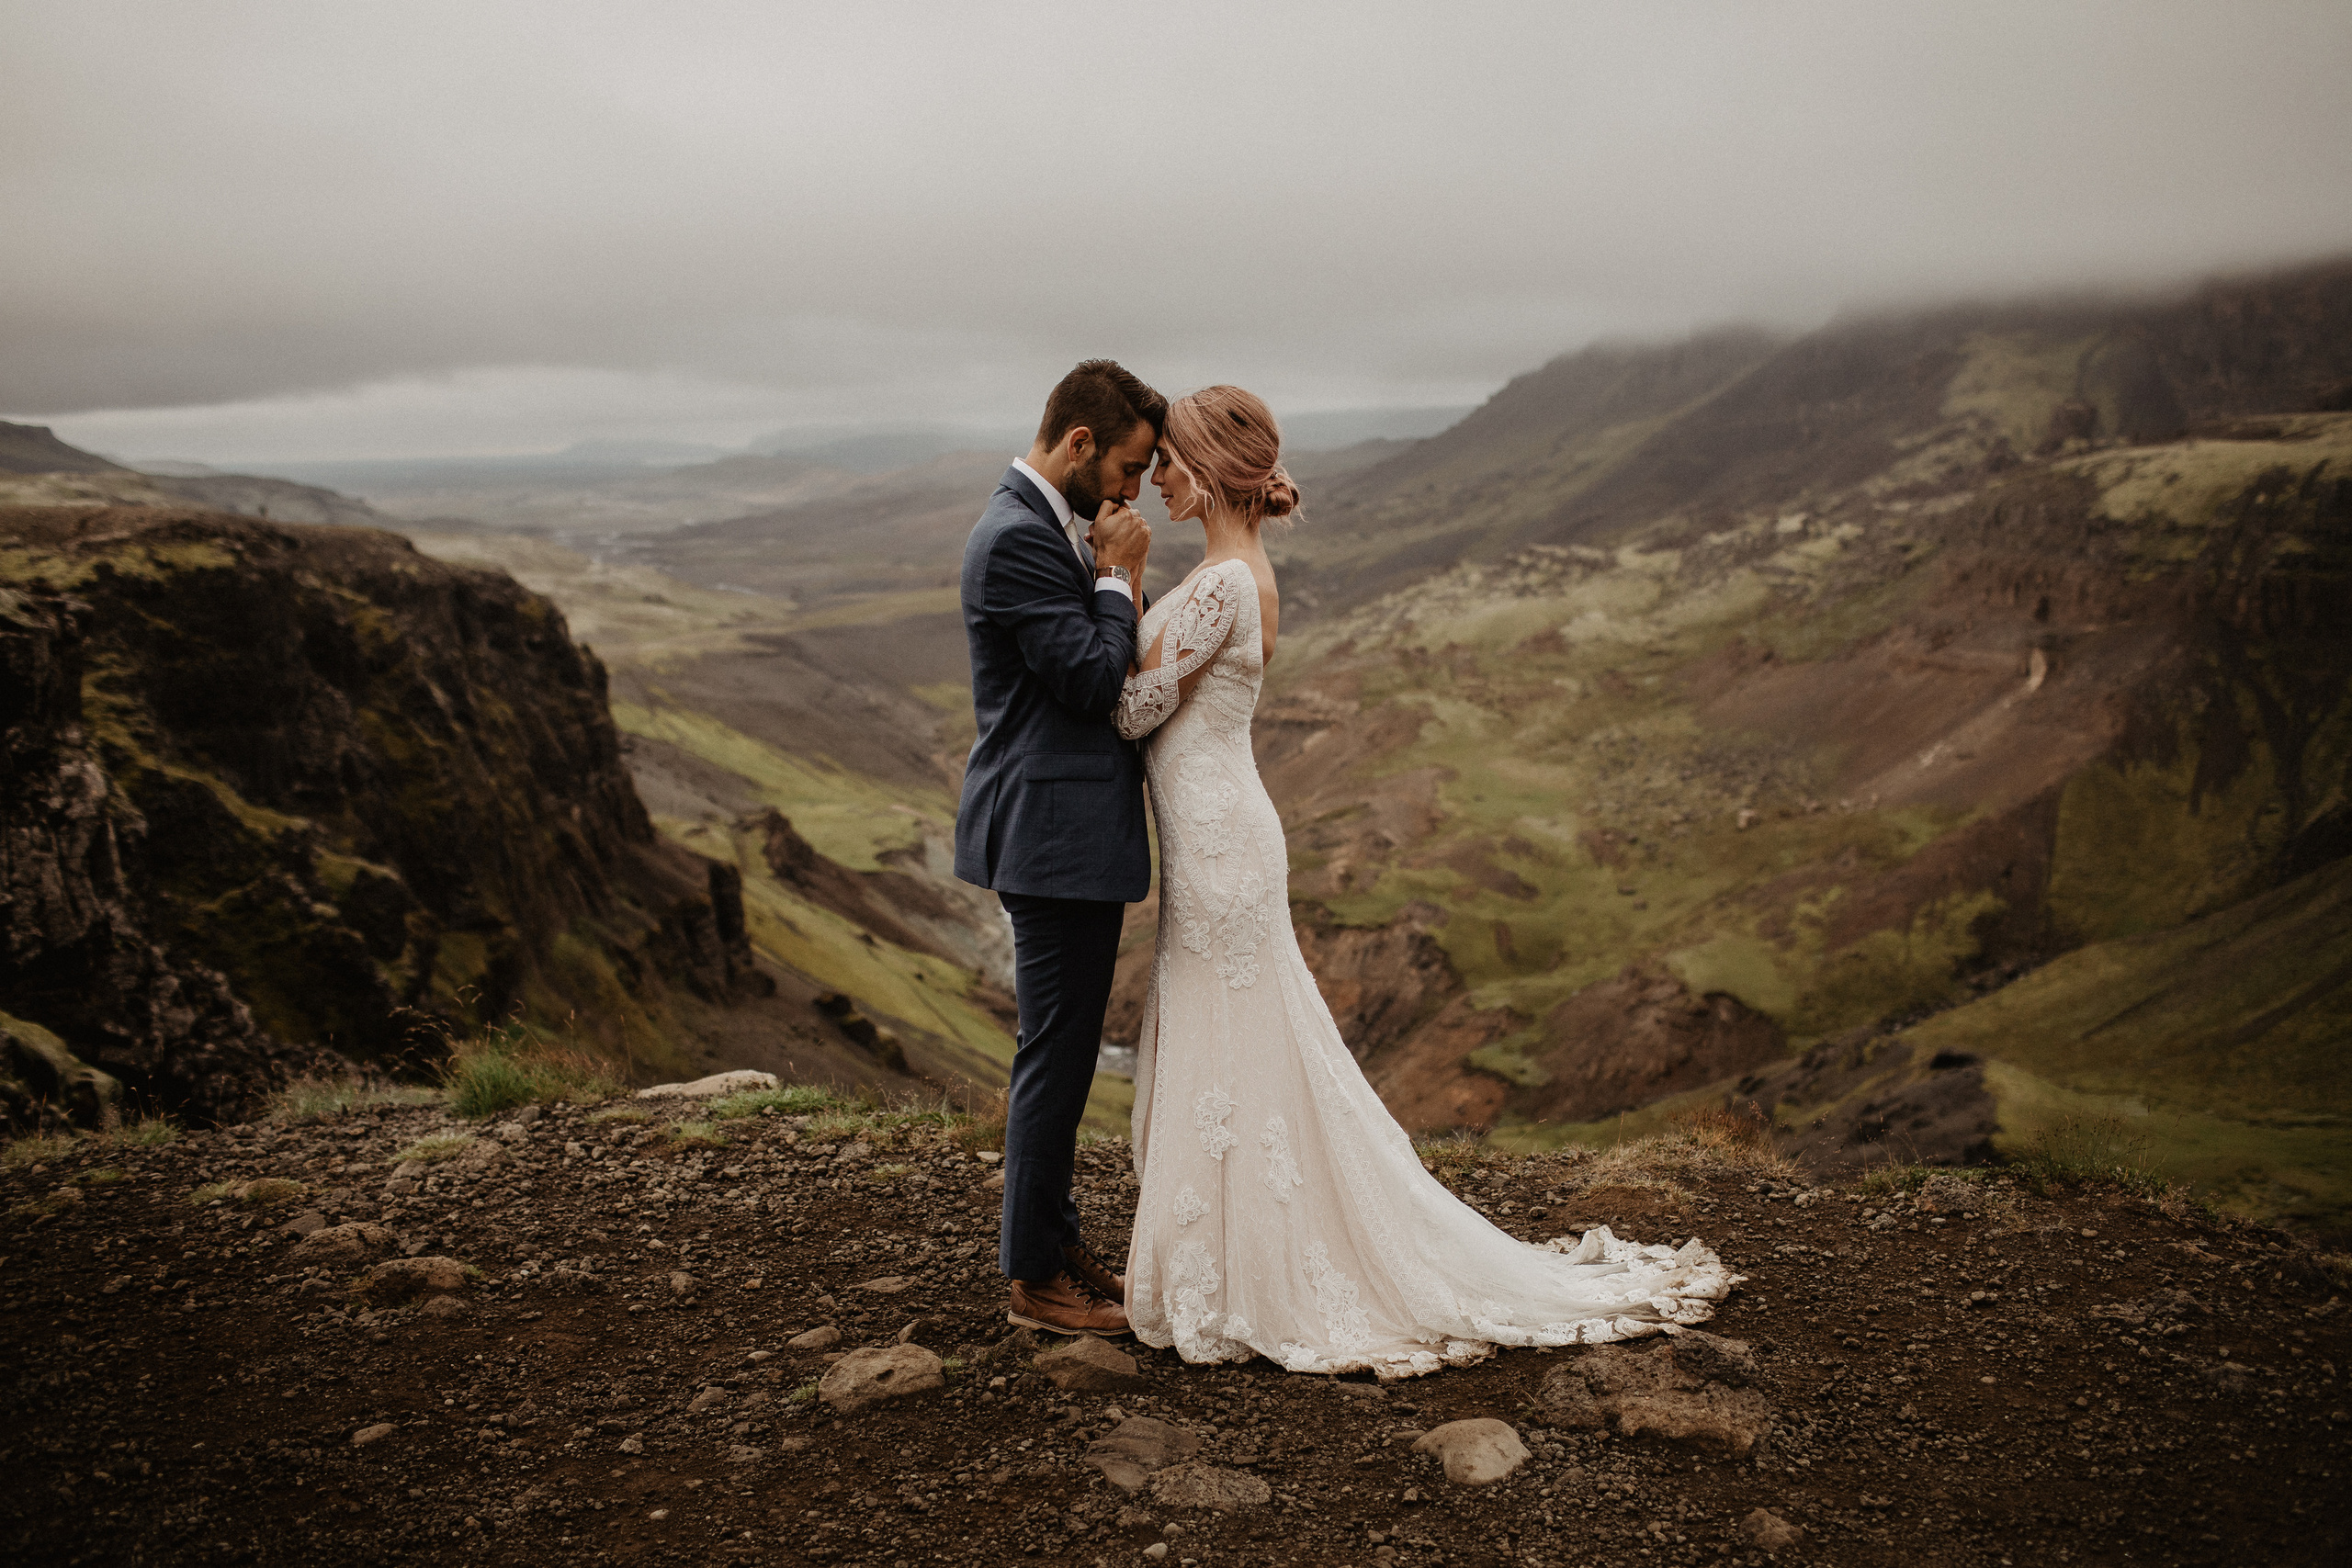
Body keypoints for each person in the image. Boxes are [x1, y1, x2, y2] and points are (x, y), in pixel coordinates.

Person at [1114, 385, 1739, 1378]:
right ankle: (1228, 1265)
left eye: (1168, 461)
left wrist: (1115, 578)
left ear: (1209, 464)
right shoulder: (1231, 576)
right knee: (1230, 1035)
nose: (1153, 479)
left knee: (1240, 1039)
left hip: (1225, 843)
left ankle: (1255, 1275)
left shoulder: (1229, 582)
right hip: (1214, 834)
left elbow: (1134, 710)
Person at [955, 358, 1164, 1336]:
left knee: (1070, 1055)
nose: (1130, 491)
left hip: (1060, 831)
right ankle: (1035, 1281)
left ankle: (1058, 1245)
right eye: (1127, 468)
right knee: (1056, 1060)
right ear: (1078, 444)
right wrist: (1120, 574)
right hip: (1050, 835)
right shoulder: (1014, 540)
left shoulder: (1040, 525)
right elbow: (1086, 676)